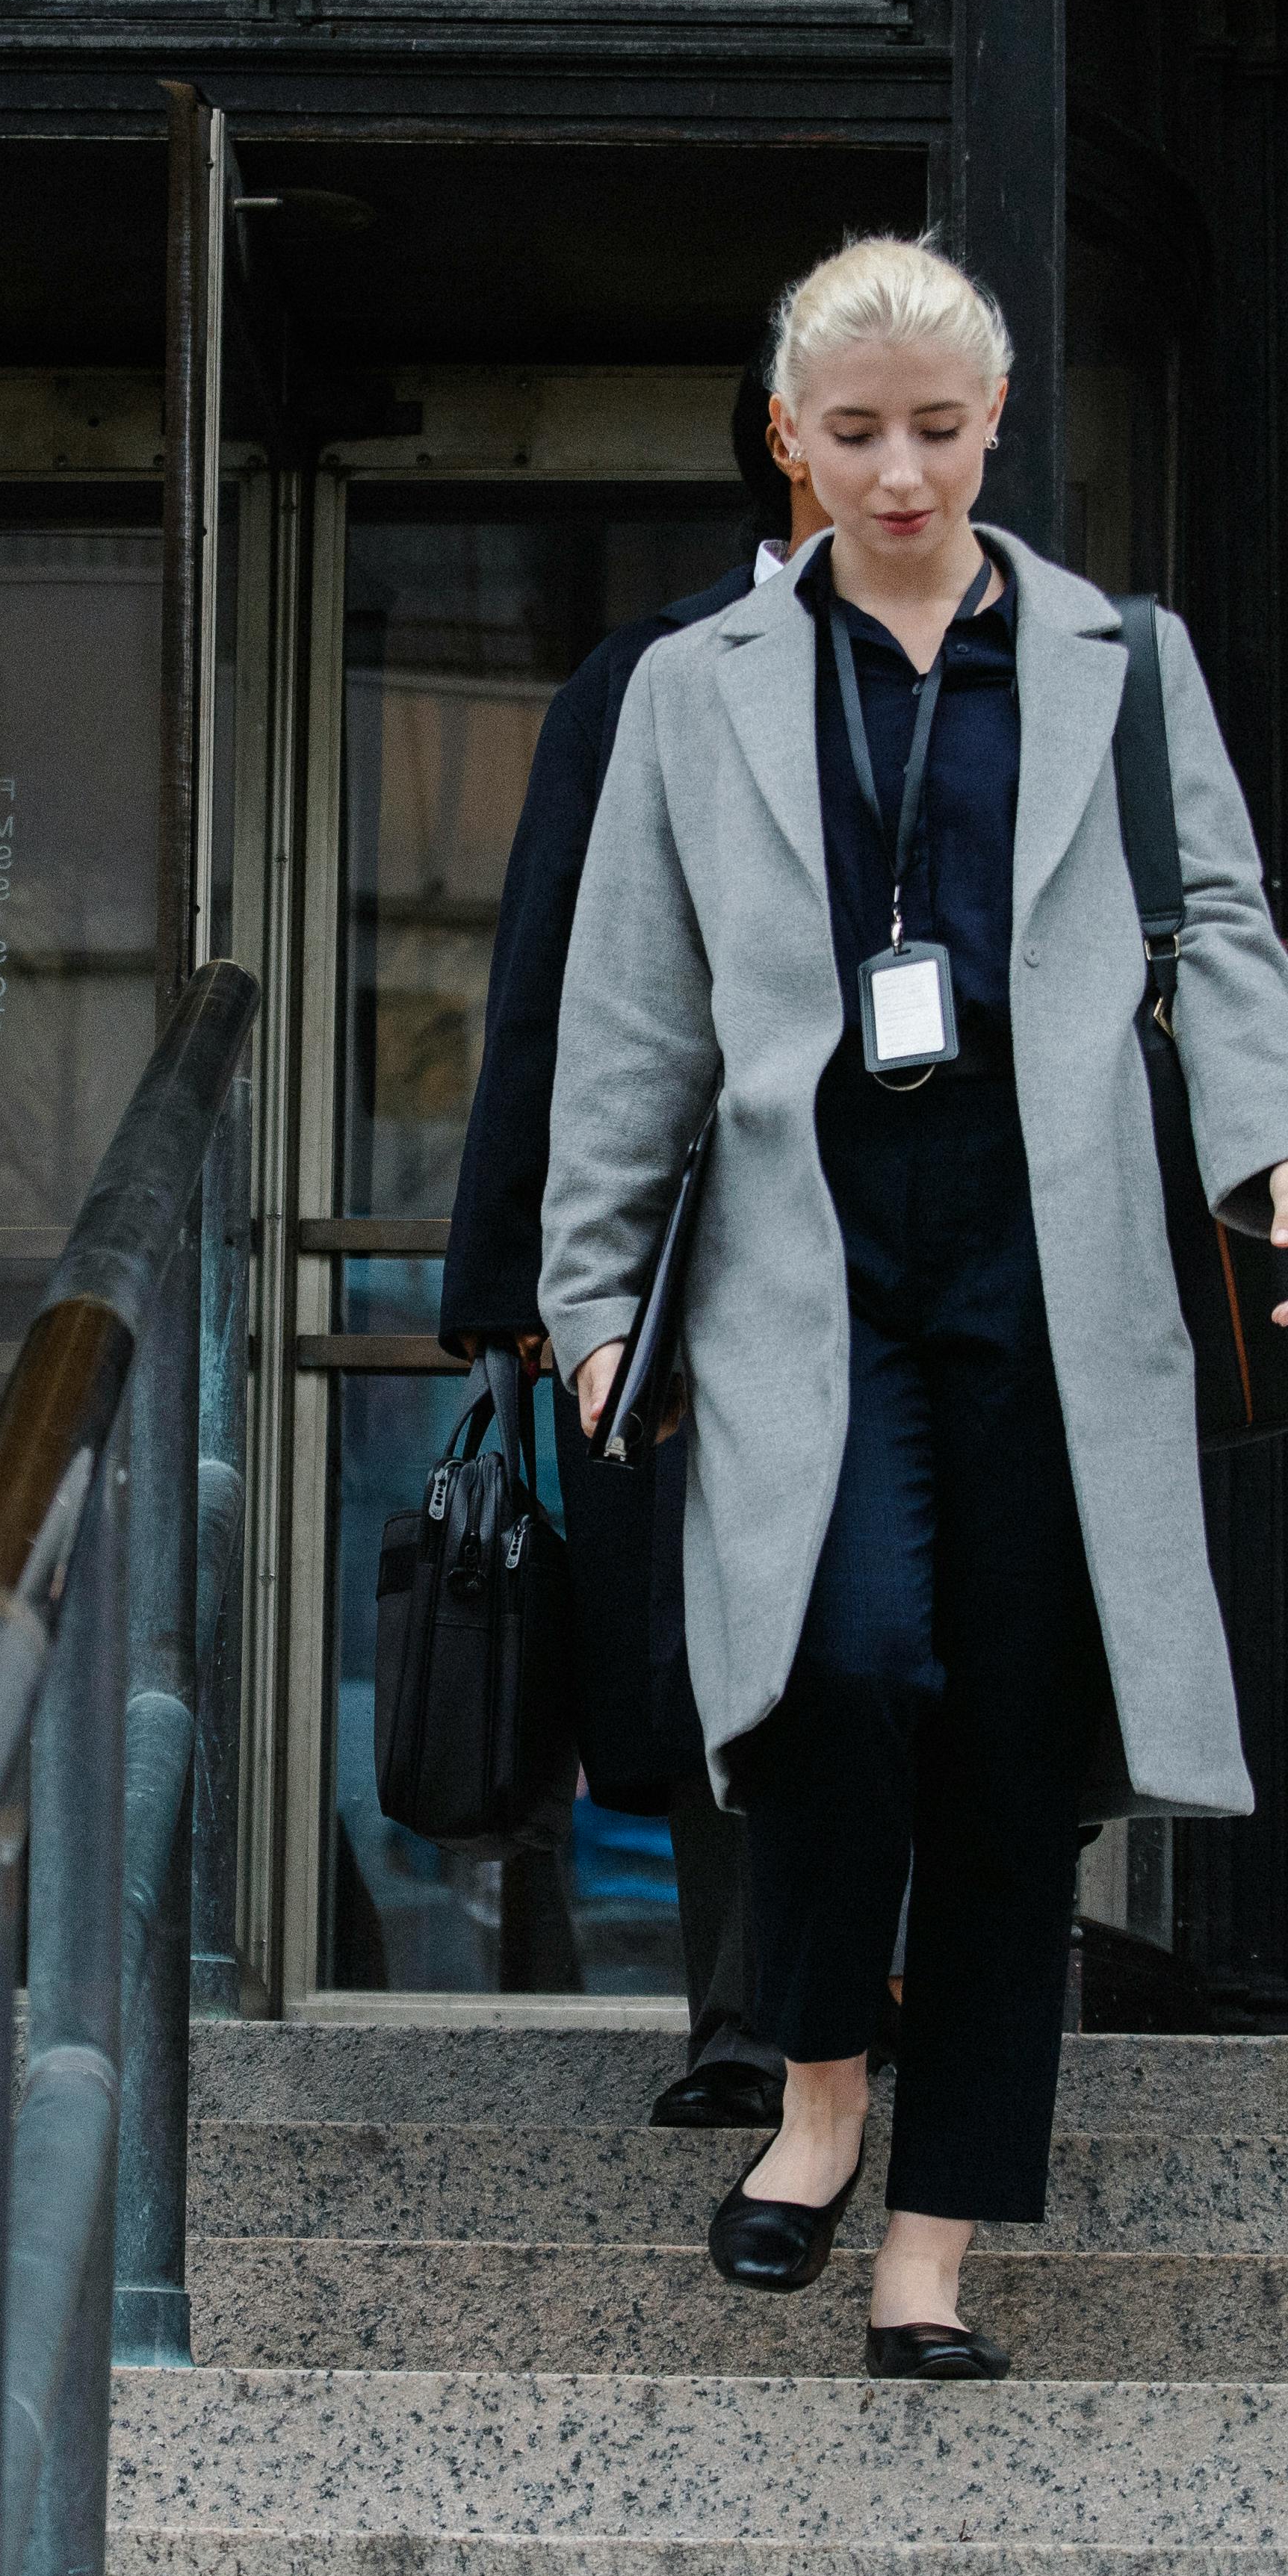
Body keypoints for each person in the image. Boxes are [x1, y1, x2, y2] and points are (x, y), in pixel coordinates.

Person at [542, 236, 1288, 2377]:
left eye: (936, 427)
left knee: (1012, 1750)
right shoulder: (695, 689)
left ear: (993, 426)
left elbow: (1220, 921)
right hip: (808, 1256)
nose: (896, 472)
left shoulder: (1116, 660)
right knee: (837, 1666)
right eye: (852, 432)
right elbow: (630, 1013)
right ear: (791, 444)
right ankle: (820, 2080)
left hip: (1052, 1250)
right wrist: (592, 1289)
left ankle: (931, 2250)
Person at [440, 358, 826, 2126]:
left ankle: (881, 1973)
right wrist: (512, 1280)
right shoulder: (649, 680)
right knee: (701, 1624)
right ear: (782, 430)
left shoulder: (992, 669)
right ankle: (747, 2012)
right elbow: (553, 987)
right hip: (703, 1243)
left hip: (921, 1235)